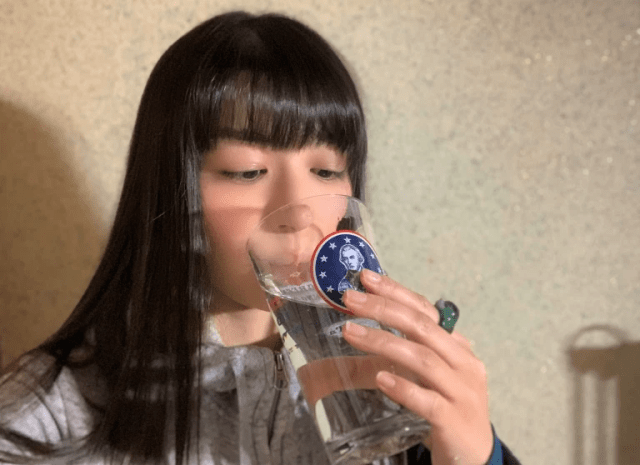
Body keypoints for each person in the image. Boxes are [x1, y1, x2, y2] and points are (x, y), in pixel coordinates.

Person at [0, 11, 521, 465]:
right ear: (172, 192)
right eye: (246, 171)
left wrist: (476, 455)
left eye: (326, 170)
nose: (299, 211)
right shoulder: (45, 418)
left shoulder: (390, 392)